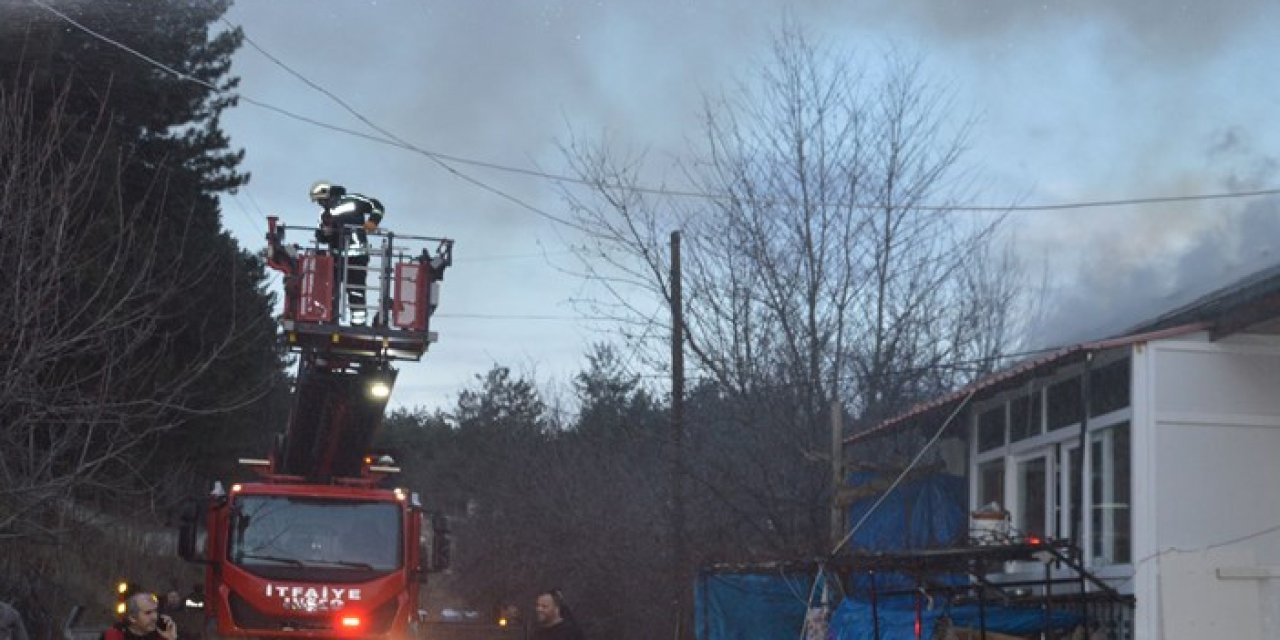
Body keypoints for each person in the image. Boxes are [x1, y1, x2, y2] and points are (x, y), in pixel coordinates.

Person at [311, 181, 385, 325]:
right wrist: (325, 234)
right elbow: (321, 236)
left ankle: (358, 323)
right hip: (336, 257)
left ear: (327, 195)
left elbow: (377, 206)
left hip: (357, 255)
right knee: (329, 290)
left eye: (320, 200)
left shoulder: (353, 200)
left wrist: (372, 222)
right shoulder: (324, 215)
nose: (319, 204)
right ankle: (329, 320)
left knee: (355, 290)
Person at [102, 593, 178, 640]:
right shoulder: (113, 636)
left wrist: (171, 639)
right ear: (132, 617)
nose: (154, 617)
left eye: (155, 611)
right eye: (148, 613)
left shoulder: (163, 635)